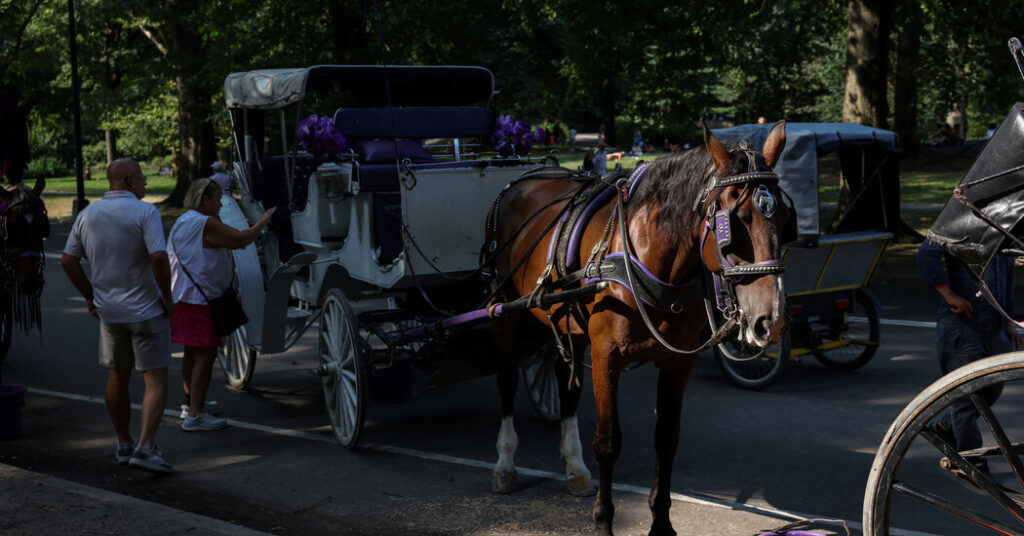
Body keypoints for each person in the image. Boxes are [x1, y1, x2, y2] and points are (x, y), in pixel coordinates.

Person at [61, 158, 176, 473]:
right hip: (146, 309)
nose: (145, 183)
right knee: (155, 379)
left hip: (109, 312)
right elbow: (158, 256)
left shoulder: (88, 214)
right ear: (128, 181)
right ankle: (146, 446)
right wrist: (167, 297)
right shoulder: (145, 212)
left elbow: (69, 260)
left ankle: (124, 441)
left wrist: (89, 295)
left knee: (117, 375)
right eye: (141, 177)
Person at [168, 178, 274, 431]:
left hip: (185, 296)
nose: (220, 204)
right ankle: (195, 416)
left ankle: (192, 404)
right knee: (205, 355)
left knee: (192, 353)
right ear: (204, 199)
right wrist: (263, 222)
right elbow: (240, 239)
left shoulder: (185, 220)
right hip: (200, 299)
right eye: (217, 199)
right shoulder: (205, 223)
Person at [916, 238, 1022, 472]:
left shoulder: (1002, 234)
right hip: (961, 325)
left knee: (992, 388)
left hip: (993, 325)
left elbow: (1006, 279)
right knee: (967, 397)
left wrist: (1009, 320)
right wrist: (949, 295)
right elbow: (926, 254)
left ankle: (945, 427)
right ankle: (969, 461)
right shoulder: (962, 228)